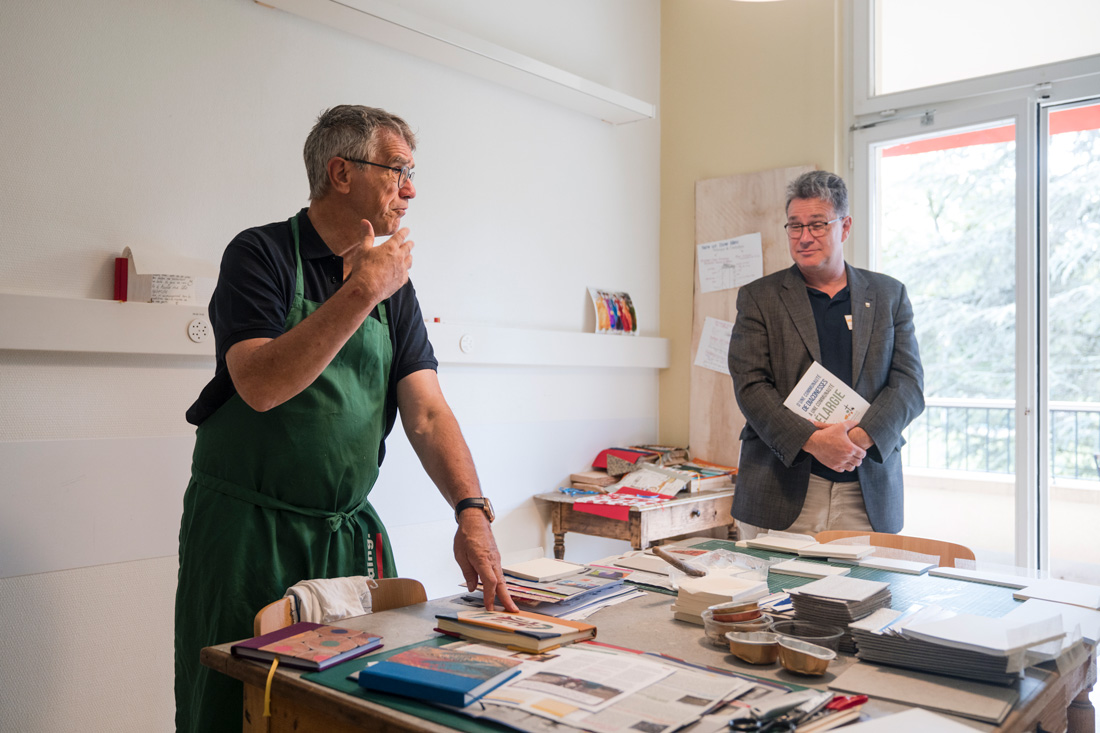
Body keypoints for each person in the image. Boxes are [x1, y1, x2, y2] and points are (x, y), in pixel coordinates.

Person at [174, 105, 517, 733]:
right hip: (246, 534)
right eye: (398, 170)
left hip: (344, 536)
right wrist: (362, 288)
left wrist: (471, 510)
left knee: (356, 709)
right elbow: (260, 385)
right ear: (341, 172)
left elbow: (429, 412)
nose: (411, 189)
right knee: (233, 706)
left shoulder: (396, 289)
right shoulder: (261, 255)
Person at [727, 170, 924, 540]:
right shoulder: (759, 297)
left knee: (861, 595)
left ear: (844, 226)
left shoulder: (888, 295)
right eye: (795, 226)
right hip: (780, 486)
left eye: (817, 225)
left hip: (867, 488)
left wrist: (858, 440)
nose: (804, 237)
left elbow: (909, 386)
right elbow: (751, 386)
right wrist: (815, 442)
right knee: (771, 596)